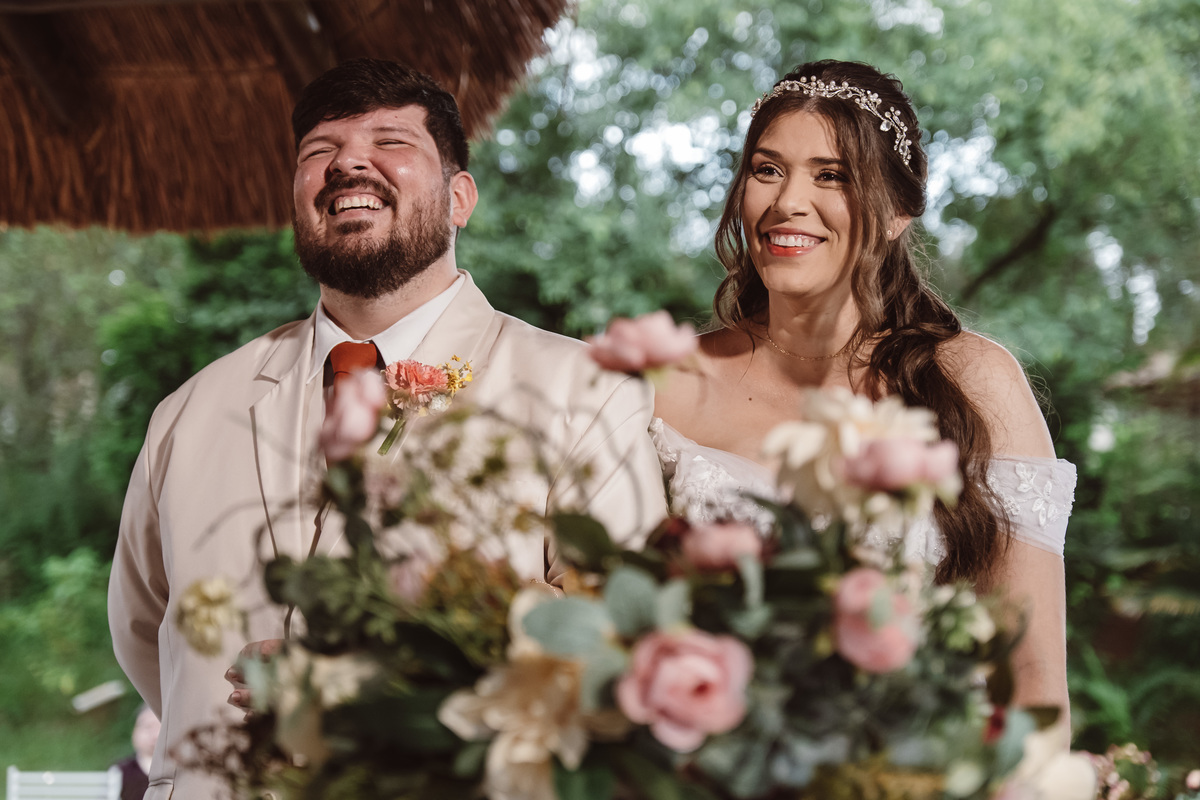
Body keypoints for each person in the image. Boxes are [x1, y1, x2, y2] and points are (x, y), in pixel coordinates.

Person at [108, 58, 666, 798]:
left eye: (391, 141)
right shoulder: (188, 412)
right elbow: (145, 635)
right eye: (319, 151)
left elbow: (626, 638)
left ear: (459, 198)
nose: (348, 164)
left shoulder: (584, 390)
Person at [653, 60, 1074, 713]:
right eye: (767, 170)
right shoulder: (669, 386)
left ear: (898, 211)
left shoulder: (974, 384)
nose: (788, 202)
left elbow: (1034, 684)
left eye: (832, 176)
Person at [112, 705, 159, 800]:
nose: (155, 735)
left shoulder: (181, 770)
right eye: (148, 727)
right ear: (134, 732)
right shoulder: (122, 771)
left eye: (160, 727)